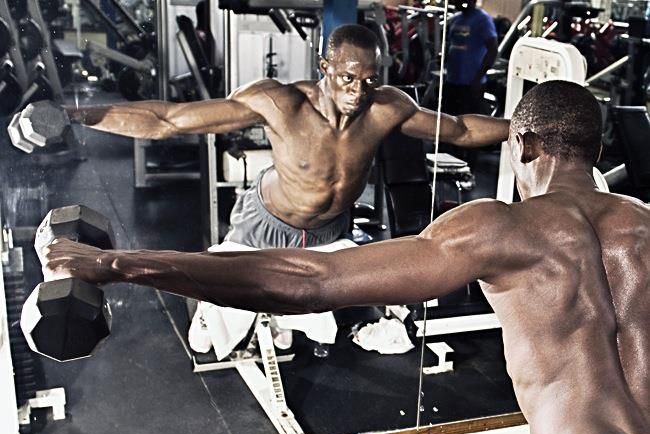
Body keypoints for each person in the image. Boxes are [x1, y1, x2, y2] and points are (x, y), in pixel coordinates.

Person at [43, 81, 650, 434]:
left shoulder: (502, 227)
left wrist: (118, 262)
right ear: (595, 152)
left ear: (523, 146)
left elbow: (314, 281)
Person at [10, 24, 508, 250]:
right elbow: (168, 120)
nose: (358, 91)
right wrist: (74, 114)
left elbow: (460, 129)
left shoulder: (387, 108)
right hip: (265, 223)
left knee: (318, 321)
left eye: (369, 79)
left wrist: (527, 129)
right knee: (226, 319)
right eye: (347, 78)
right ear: (324, 69)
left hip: (332, 230)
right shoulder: (280, 103)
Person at [444, 0, 498, 117]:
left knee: (468, 125)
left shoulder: (483, 20)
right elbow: (451, 45)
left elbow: (493, 50)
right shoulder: (455, 19)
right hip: (452, 81)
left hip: (471, 84)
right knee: (448, 121)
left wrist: (478, 78)